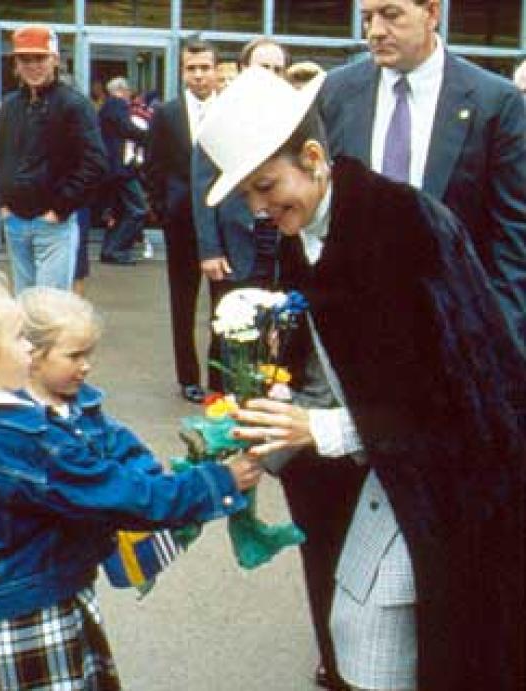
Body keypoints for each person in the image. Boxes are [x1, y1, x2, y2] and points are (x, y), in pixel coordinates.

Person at [198, 66, 525, 691]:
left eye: (266, 187)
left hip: (451, 481)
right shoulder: (305, 228)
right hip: (374, 469)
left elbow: (467, 397)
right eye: (248, 196)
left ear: (315, 157)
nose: (260, 208)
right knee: (358, 630)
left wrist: (321, 425)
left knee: (374, 626)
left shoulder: (403, 225)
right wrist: (267, 416)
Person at [0, 273, 262, 690]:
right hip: (28, 611)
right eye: (19, 339)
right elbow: (118, 497)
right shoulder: (20, 439)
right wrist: (219, 481)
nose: (29, 348)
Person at [318, 0, 526, 351]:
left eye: (391, 14)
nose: (375, 31)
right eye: (367, 18)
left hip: (459, 334)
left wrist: (499, 340)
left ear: (432, 13)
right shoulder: (334, 93)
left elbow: (514, 237)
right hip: (355, 330)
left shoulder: (495, 102)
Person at [189, 37, 290, 393]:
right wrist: (209, 250)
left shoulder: (294, 118)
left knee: (276, 329)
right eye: (264, 67)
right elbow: (202, 190)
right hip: (233, 244)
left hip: (280, 240)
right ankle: (223, 406)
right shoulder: (218, 119)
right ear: (245, 70)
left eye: (279, 69)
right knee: (230, 330)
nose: (272, 75)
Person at [0, 24, 107, 293]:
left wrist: (60, 208)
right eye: (24, 59)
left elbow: (95, 163)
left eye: (39, 58)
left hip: (52, 224)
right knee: (23, 305)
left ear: (55, 60)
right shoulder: (9, 105)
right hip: (15, 221)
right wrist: (2, 201)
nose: (32, 65)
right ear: (15, 64)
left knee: (47, 312)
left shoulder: (74, 105)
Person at [144, 36, 219, 403]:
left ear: (216, 69)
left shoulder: (230, 110)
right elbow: (152, 164)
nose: (200, 75)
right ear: (182, 71)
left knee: (226, 303)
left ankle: (221, 375)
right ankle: (188, 376)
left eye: (205, 67)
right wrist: (162, 206)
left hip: (222, 222)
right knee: (183, 301)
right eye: (192, 68)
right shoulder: (167, 114)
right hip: (181, 221)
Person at [98, 76, 149, 265]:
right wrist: (150, 135)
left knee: (121, 210)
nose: (129, 96)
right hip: (120, 169)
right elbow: (127, 128)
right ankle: (116, 249)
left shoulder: (106, 106)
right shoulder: (116, 104)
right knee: (138, 208)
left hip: (113, 168)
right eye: (128, 92)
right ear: (121, 91)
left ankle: (110, 250)